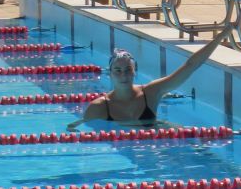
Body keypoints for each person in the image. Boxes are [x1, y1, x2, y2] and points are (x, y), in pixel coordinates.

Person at [66, 25, 232, 131]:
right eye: (117, 70)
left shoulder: (151, 92)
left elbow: (190, 66)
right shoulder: (98, 108)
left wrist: (220, 37)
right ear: (109, 73)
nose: (123, 75)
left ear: (135, 71)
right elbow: (81, 131)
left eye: (127, 69)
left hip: (155, 146)